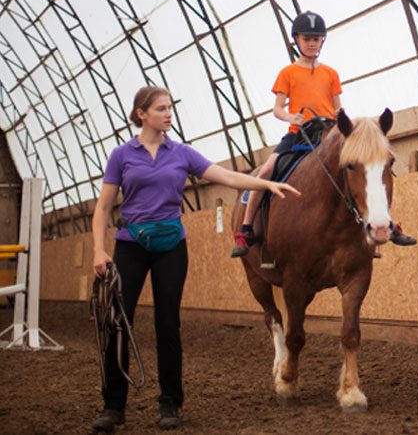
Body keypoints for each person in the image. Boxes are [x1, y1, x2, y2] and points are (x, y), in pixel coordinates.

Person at [91, 86, 301, 432]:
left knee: (167, 324)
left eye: (170, 107)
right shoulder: (121, 155)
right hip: (130, 244)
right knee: (117, 323)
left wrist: (267, 185)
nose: (169, 114)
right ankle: (113, 406)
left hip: (171, 246)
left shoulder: (182, 153)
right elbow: (102, 207)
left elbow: (228, 176)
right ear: (141, 113)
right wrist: (99, 250)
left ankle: (170, 403)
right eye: (161, 109)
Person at [231, 10, 416, 258]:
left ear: (322, 41)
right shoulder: (287, 73)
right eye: (307, 38)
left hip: (328, 132)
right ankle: (245, 229)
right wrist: (290, 117)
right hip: (298, 133)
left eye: (316, 39)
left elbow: (337, 106)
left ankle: (385, 224)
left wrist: (347, 124)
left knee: (365, 170)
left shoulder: (330, 73)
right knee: (265, 172)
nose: (311, 43)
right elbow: (277, 109)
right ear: (296, 40)